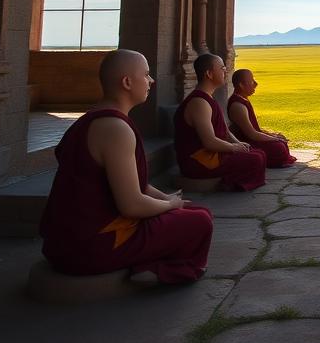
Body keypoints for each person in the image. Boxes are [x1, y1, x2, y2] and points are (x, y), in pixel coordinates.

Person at [40, 49, 213, 284]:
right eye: (146, 74)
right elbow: (131, 204)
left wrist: (167, 200)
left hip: (64, 241)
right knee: (200, 222)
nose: (151, 81)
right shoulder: (114, 128)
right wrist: (170, 204)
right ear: (127, 82)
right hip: (89, 245)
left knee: (193, 212)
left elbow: (137, 184)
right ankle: (155, 271)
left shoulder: (95, 120)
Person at [173, 53, 267, 191]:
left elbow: (225, 131)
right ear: (209, 74)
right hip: (199, 161)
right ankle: (229, 183)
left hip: (213, 154)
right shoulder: (199, 102)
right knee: (255, 159)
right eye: (222, 68)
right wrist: (234, 148)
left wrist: (238, 143)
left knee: (258, 153)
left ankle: (233, 179)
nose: (226, 71)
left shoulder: (208, 98)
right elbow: (209, 141)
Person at [227, 68, 297, 168]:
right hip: (247, 141)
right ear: (241, 85)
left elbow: (256, 129)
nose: (256, 84)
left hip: (253, 137)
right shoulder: (238, 105)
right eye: (251, 81)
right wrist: (274, 139)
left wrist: (273, 135)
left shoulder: (243, 99)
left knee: (281, 140)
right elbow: (251, 134)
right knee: (279, 147)